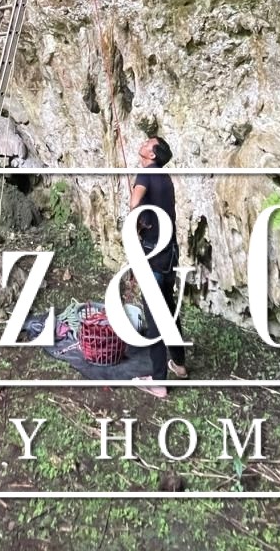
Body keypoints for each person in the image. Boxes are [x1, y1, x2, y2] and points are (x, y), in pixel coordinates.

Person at [129, 135, 187, 398]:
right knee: (168, 308)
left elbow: (135, 203)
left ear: (152, 155)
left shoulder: (147, 173)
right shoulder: (164, 177)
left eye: (147, 143)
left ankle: (159, 382)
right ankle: (179, 364)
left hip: (153, 255)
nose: (143, 143)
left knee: (154, 317)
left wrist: (136, 222)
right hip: (169, 254)